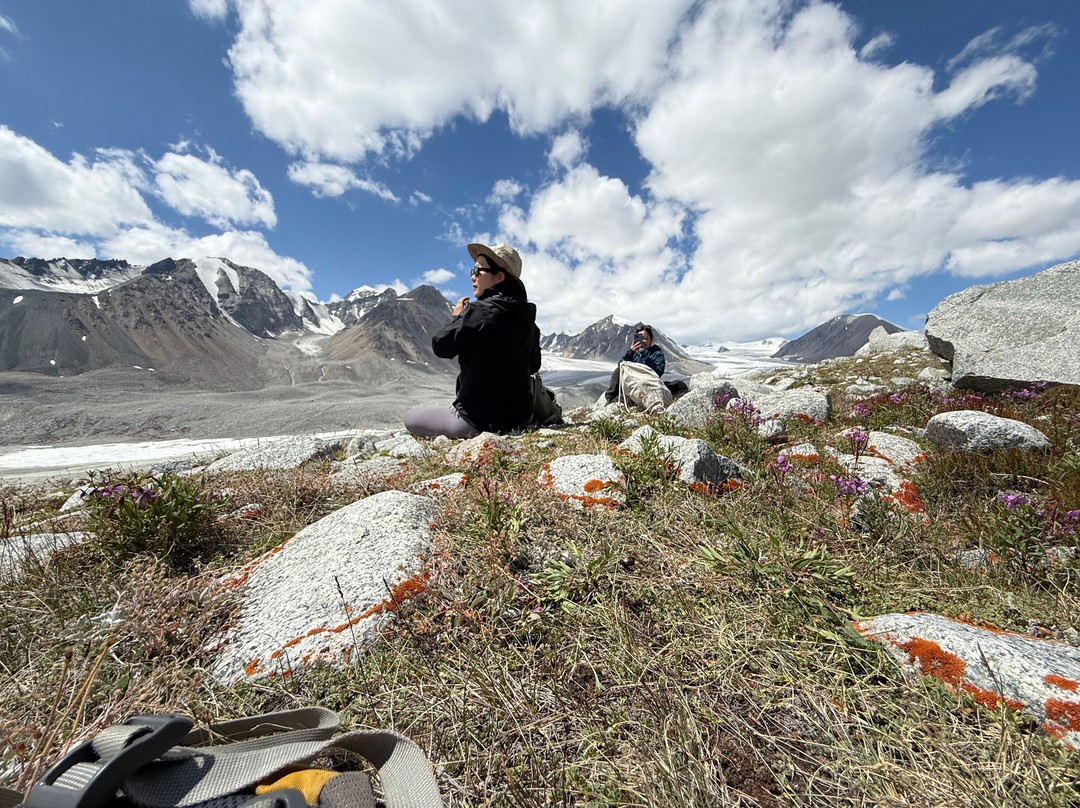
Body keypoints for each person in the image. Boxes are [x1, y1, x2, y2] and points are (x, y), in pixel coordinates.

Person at [404, 243, 541, 439]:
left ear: (499, 277)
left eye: (478, 270)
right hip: (521, 418)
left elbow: (441, 346)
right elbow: (534, 366)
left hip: (477, 420)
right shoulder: (528, 320)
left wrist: (458, 317)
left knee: (410, 416)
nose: (472, 275)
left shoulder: (479, 312)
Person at [604, 323, 665, 404]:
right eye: (640, 338)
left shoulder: (657, 354)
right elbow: (621, 365)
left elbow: (658, 372)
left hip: (649, 384)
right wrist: (630, 352)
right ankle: (610, 399)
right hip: (633, 384)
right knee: (618, 370)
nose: (642, 341)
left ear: (651, 339)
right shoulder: (634, 354)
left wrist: (644, 353)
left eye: (645, 338)